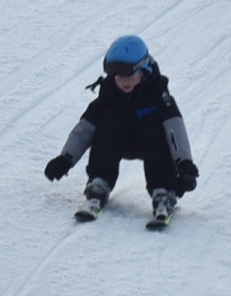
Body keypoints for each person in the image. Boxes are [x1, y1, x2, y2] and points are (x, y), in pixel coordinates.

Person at [43, 35, 198, 226]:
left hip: (150, 142)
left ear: (144, 70)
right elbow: (84, 129)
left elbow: (175, 128)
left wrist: (184, 164)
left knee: (153, 124)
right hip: (117, 141)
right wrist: (66, 158)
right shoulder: (108, 95)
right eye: (117, 75)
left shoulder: (158, 94)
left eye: (129, 74)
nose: (124, 80)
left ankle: (163, 193)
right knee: (109, 118)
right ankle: (99, 184)